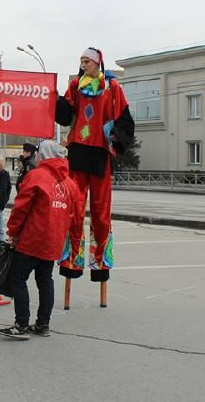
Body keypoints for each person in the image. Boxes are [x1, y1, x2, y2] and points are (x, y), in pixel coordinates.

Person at [55, 47, 134, 286]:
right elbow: (64, 116)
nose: (83, 63)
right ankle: (71, 262)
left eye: (87, 60)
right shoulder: (75, 86)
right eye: (81, 60)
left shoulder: (112, 87)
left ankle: (100, 265)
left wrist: (117, 135)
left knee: (101, 211)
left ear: (97, 62)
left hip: (100, 152)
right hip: (78, 151)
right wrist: (56, 99)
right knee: (74, 209)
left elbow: (125, 118)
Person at [0, 140, 84, 340]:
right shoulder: (70, 182)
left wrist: (13, 231)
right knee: (45, 280)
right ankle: (43, 324)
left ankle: (21, 324)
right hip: (54, 239)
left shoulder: (36, 176)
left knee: (17, 278)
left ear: (43, 155)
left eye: (38, 153)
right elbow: (74, 214)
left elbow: (21, 208)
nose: (35, 156)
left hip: (32, 237)